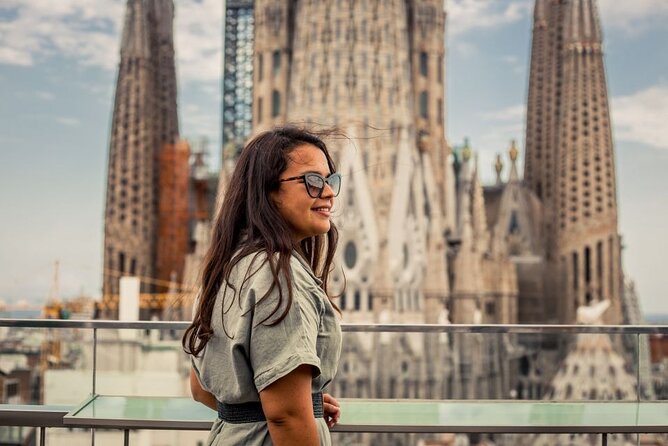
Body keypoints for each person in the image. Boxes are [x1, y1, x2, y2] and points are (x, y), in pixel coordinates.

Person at [182, 126, 343, 446]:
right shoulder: (281, 278)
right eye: (312, 181)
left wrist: (294, 400)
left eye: (330, 180)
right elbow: (286, 417)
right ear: (268, 190)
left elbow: (201, 389)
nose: (328, 192)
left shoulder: (228, 266)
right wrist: (291, 408)